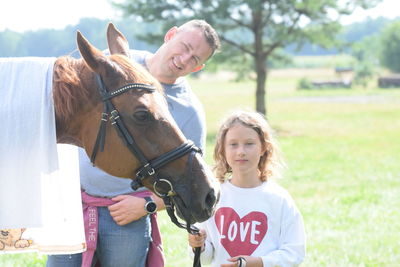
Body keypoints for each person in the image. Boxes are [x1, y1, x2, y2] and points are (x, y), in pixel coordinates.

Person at [46, 20, 220, 267]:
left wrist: (147, 205)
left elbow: (190, 178)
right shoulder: (115, 66)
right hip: (73, 208)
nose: (183, 59)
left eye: (194, 58)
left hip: (126, 217)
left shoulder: (190, 110)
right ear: (170, 35)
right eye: (184, 47)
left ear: (198, 67)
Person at [188, 111, 306, 267]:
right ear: (223, 149)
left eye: (249, 143)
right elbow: (205, 259)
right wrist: (199, 245)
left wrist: (258, 262)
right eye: (233, 144)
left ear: (263, 147)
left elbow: (294, 253)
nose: (241, 151)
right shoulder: (213, 197)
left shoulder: (279, 199)